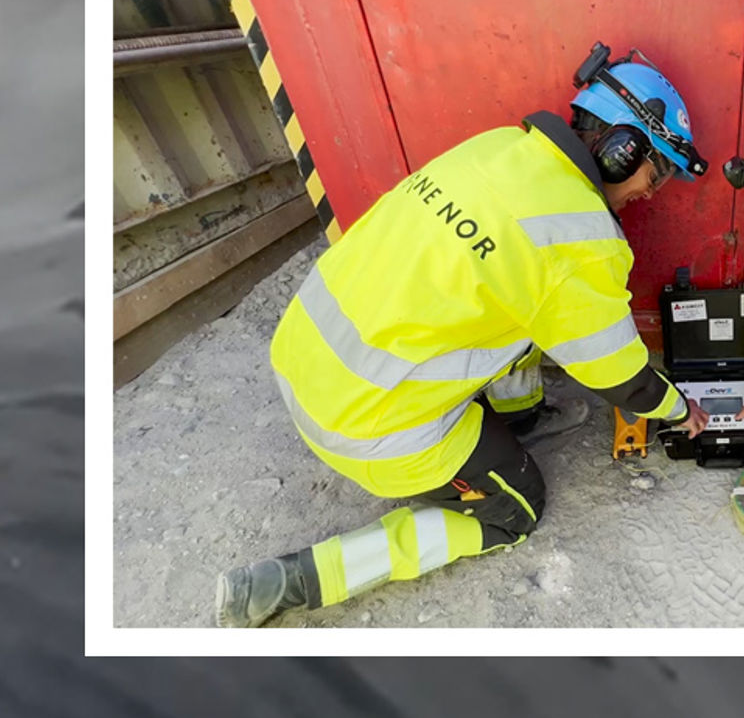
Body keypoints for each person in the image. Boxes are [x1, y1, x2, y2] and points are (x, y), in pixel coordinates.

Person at [216, 47, 710, 627]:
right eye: (658, 174)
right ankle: (295, 580)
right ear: (623, 150)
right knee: (515, 511)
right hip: (366, 424)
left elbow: (513, 293)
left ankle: (522, 416)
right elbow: (616, 371)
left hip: (303, 360)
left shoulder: (497, 148)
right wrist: (680, 410)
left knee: (517, 304)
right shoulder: (581, 239)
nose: (650, 193)